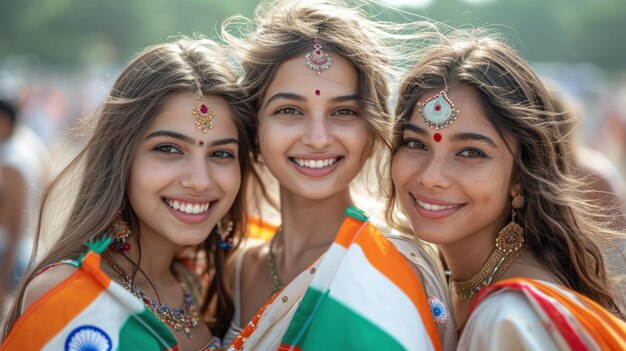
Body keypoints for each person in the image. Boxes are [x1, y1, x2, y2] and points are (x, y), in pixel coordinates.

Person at [222, 1, 455, 350]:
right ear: (253, 129)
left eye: (344, 112)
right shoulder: (238, 269)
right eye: (289, 110)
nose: (318, 138)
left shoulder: (387, 268)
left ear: (373, 129)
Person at [1, 37, 255, 350]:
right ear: (121, 158)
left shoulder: (202, 286)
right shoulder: (67, 298)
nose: (200, 181)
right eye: (169, 149)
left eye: (221, 154)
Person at [388, 29, 626, 350]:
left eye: (471, 152)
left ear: (520, 177)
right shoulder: (457, 286)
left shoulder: (508, 320)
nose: (431, 176)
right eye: (415, 143)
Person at [0, 99, 49, 313]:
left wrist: (4, 275)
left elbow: (15, 223)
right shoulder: (27, 144)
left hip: (9, 252)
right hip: (23, 248)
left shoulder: (11, 160)